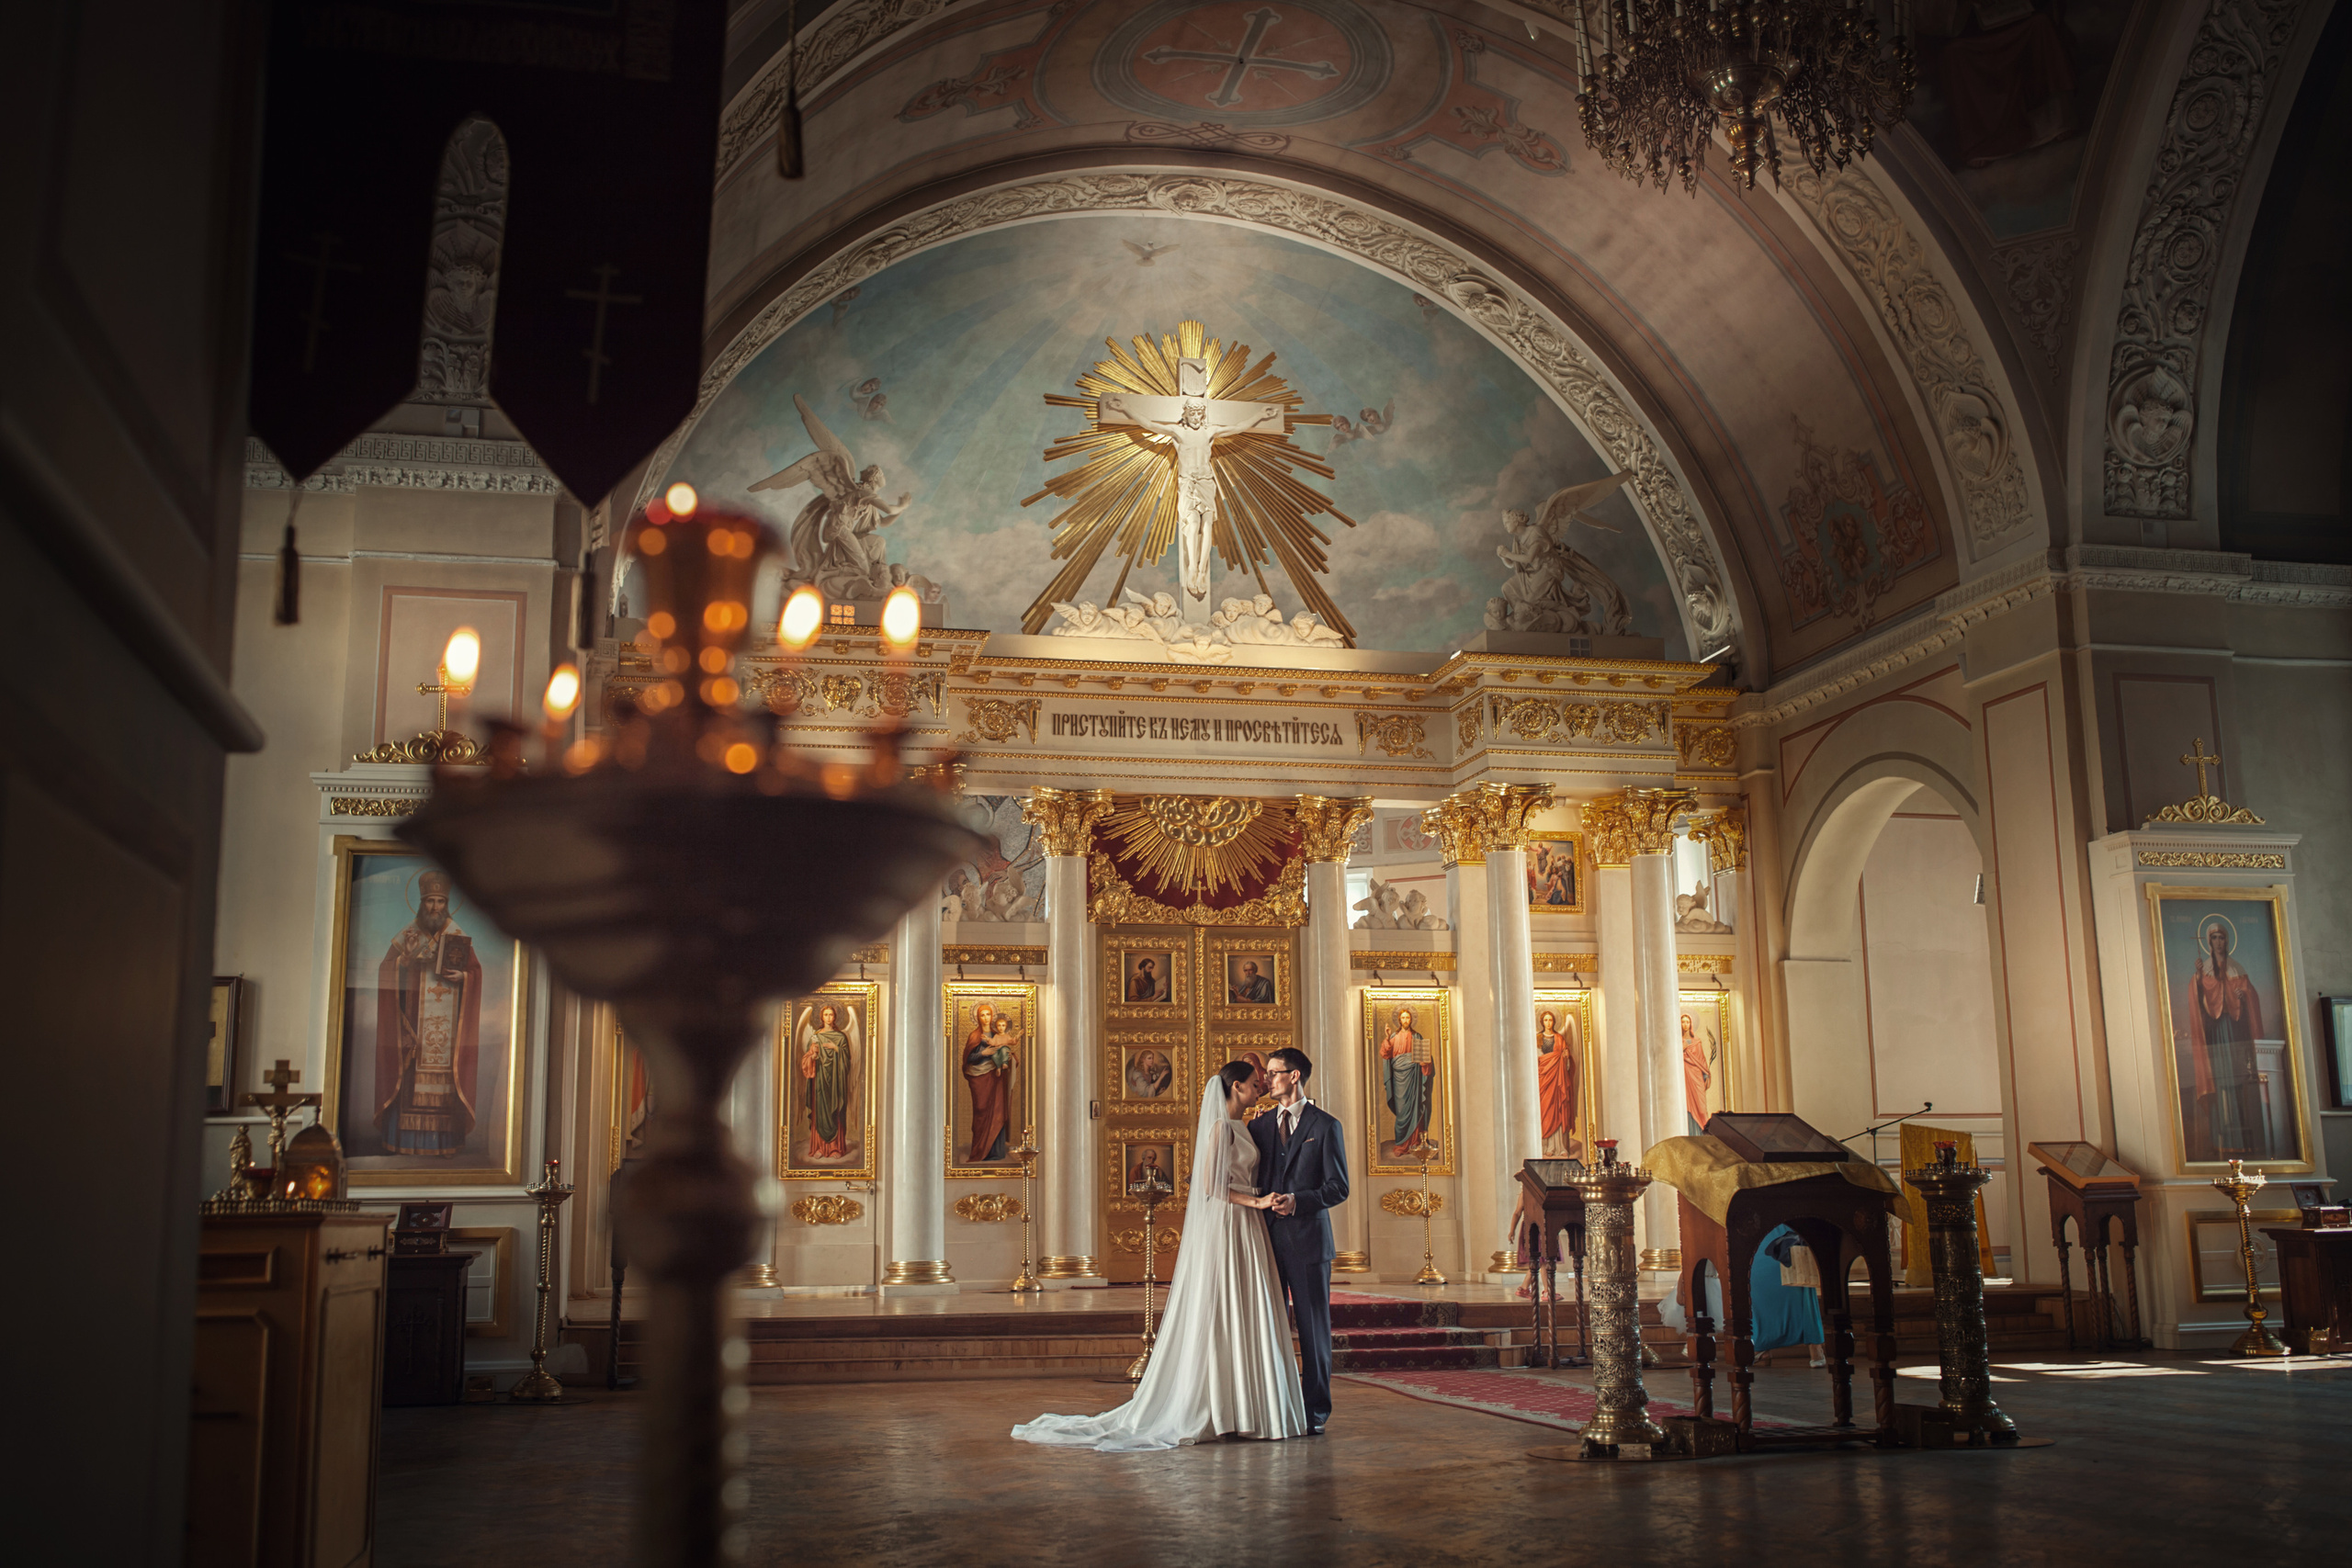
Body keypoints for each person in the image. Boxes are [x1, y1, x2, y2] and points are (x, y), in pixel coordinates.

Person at [1012, 1061, 1308, 1450]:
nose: (1260, 1089)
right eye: (1254, 1084)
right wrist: (1257, 1202)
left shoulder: (1243, 1127)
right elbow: (1210, 1186)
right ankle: (1219, 1406)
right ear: (1236, 1087)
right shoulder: (1220, 1128)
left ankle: (1246, 1405)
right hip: (1231, 1222)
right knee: (1224, 1306)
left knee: (1248, 1306)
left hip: (1248, 1226)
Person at [1250, 1047, 1349, 1435]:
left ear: (1295, 1076)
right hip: (1264, 1243)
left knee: (1312, 1330)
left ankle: (1315, 1413)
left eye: (1274, 1073)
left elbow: (1338, 1187)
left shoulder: (1325, 1126)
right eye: (1267, 1073)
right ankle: (1273, 1407)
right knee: (1267, 1328)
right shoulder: (1258, 1127)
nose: (1267, 1079)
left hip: (1309, 1243)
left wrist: (1297, 1202)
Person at [374, 870, 481, 1156]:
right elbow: (386, 968)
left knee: (445, 1087)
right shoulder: (409, 935)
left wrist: (464, 977)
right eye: (430, 901)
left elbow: (474, 972)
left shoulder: (456, 934)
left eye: (440, 901)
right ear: (422, 903)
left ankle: (443, 1145)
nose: (435, 906)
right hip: (413, 1027)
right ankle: (406, 1142)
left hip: (447, 1035)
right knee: (409, 1081)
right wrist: (405, 963)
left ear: (446, 904)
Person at [2188, 917, 2271, 1160]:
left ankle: (2242, 1139)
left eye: (2221, 937)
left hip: (2234, 1035)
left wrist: (2242, 997)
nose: (2218, 942)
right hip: (2215, 1036)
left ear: (2227, 939)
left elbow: (2249, 1003)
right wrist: (2199, 980)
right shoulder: (2203, 971)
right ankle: (2220, 1139)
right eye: (2213, 938)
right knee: (2219, 1081)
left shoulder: (2237, 969)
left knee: (2236, 1083)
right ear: (2208, 942)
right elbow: (2199, 1006)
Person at [963, 1003, 1018, 1163]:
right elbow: (968, 1059)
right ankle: (980, 1150)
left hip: (996, 1079)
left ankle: (996, 1152)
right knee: (981, 1111)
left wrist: (1010, 1059)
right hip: (979, 1079)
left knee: (998, 1112)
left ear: (992, 1016)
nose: (985, 1018)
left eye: (988, 1014)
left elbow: (1006, 1051)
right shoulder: (974, 1036)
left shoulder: (997, 1035)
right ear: (978, 1018)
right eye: (982, 1015)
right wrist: (983, 1053)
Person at [1380, 1007, 1434, 1158]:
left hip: (1414, 1078)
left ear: (1411, 1020)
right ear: (1399, 1020)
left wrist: (1424, 1063)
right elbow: (1385, 1054)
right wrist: (1386, 1038)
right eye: (1403, 1018)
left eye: (1408, 1018)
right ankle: (1401, 1144)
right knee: (1402, 1111)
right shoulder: (1393, 1037)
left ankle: (1415, 1143)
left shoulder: (1417, 1037)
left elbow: (1425, 1059)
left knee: (1415, 1108)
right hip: (1399, 1079)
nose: (1405, 1021)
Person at [1536, 1010, 1577, 1157]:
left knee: (1559, 1111)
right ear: (1542, 1022)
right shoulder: (1538, 1038)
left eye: (1550, 1020)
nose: (1548, 1023)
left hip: (1558, 1080)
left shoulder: (1560, 1038)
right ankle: (1548, 1146)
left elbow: (1566, 1062)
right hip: (1544, 1080)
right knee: (1546, 1112)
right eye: (1545, 1020)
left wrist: (1565, 1058)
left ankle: (1560, 1147)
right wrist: (1547, 1063)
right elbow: (1537, 1058)